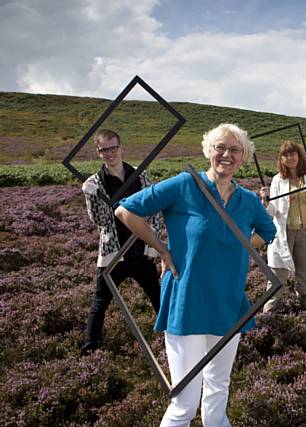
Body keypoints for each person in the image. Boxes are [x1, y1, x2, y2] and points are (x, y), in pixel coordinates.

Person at [115, 123, 276, 426]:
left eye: (235, 149)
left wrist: (241, 248)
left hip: (228, 303)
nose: (227, 154)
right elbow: (126, 211)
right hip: (187, 302)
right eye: (220, 147)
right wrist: (162, 250)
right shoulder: (184, 185)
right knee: (184, 402)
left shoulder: (248, 201)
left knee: (218, 391)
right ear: (208, 151)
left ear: (243, 157)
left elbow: (269, 232)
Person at [81, 129, 161, 354]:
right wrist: (92, 196)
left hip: (140, 250)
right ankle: (90, 348)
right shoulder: (95, 183)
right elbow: (98, 220)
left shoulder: (140, 176)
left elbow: (154, 212)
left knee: (158, 297)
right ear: (98, 152)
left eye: (113, 148)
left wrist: (152, 248)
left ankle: (173, 337)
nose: (110, 153)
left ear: (121, 148)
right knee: (100, 302)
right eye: (104, 149)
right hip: (113, 254)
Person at [259, 140, 306, 312]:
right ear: (281, 159)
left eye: (292, 153)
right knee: (277, 276)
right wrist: (265, 202)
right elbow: (273, 212)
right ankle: (269, 313)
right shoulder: (277, 180)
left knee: (305, 276)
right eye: (285, 154)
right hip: (284, 233)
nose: (289, 157)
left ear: (299, 155)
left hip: (305, 232)